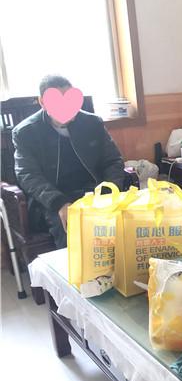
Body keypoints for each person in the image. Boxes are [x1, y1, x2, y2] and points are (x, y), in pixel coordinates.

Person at [12, 74, 125, 249]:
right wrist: (60, 203)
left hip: (95, 191)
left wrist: (108, 192)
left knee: (126, 223)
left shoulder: (92, 123)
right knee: (71, 229)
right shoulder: (26, 132)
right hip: (54, 198)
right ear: (43, 102)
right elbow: (28, 175)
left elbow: (113, 160)